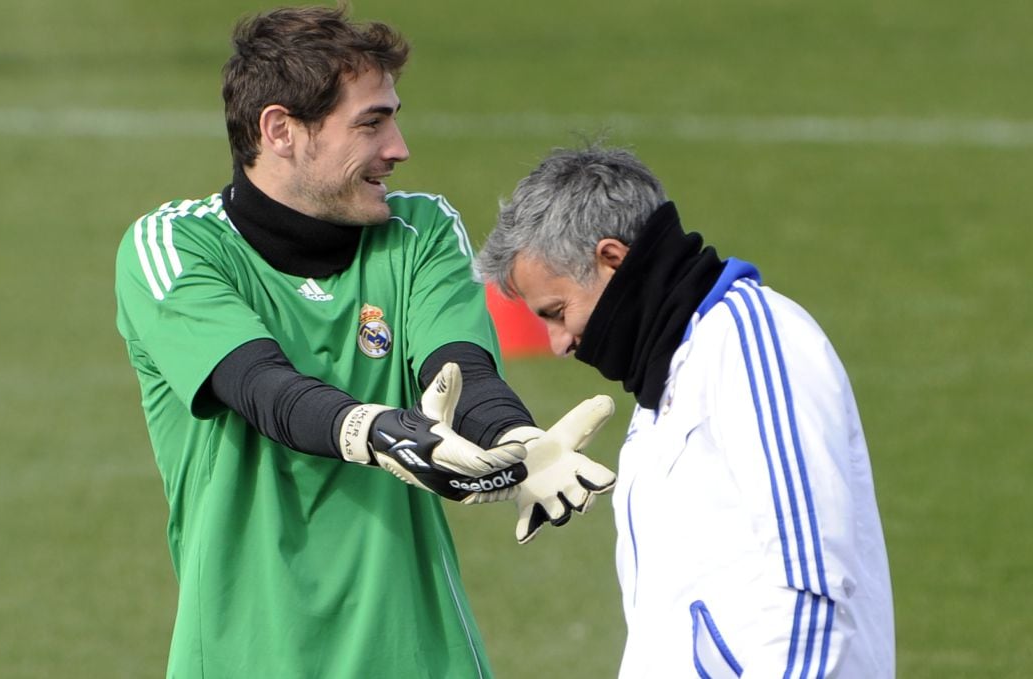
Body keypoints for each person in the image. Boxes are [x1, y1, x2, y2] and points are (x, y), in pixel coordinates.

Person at [113, 7, 615, 677]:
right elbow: (263, 389)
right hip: (242, 659)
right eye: (370, 123)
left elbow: (461, 371)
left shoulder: (422, 231)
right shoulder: (175, 247)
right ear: (281, 131)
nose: (399, 147)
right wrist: (379, 431)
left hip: (421, 657)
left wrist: (513, 437)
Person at [478, 144, 895, 678]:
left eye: (557, 312)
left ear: (612, 259)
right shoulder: (664, 385)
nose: (558, 344)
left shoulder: (749, 343)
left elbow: (812, 581)